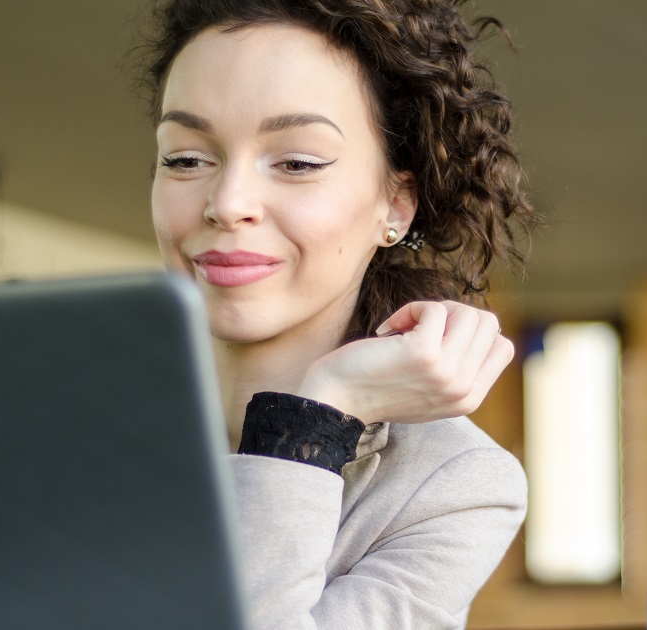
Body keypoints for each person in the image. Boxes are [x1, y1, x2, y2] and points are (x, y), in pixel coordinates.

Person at [136, 0, 538, 627]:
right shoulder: (67, 416)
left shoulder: (455, 485)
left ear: (396, 205)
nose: (228, 202)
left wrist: (315, 417)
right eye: (186, 158)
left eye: (297, 162)